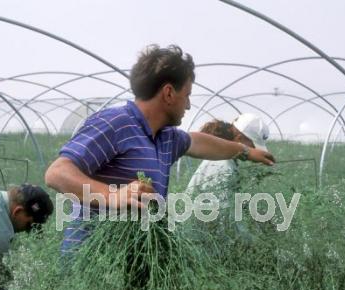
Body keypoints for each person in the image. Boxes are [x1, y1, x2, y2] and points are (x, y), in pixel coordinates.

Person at [45, 44, 275, 251]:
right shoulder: (115, 123)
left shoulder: (166, 138)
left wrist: (246, 152)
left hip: (131, 264)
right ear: (168, 93)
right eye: (186, 95)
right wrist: (113, 195)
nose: (188, 104)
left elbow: (200, 142)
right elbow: (57, 173)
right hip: (91, 264)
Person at [186, 113, 271, 195]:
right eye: (253, 146)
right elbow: (222, 208)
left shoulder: (224, 157)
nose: (255, 151)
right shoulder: (223, 164)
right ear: (239, 139)